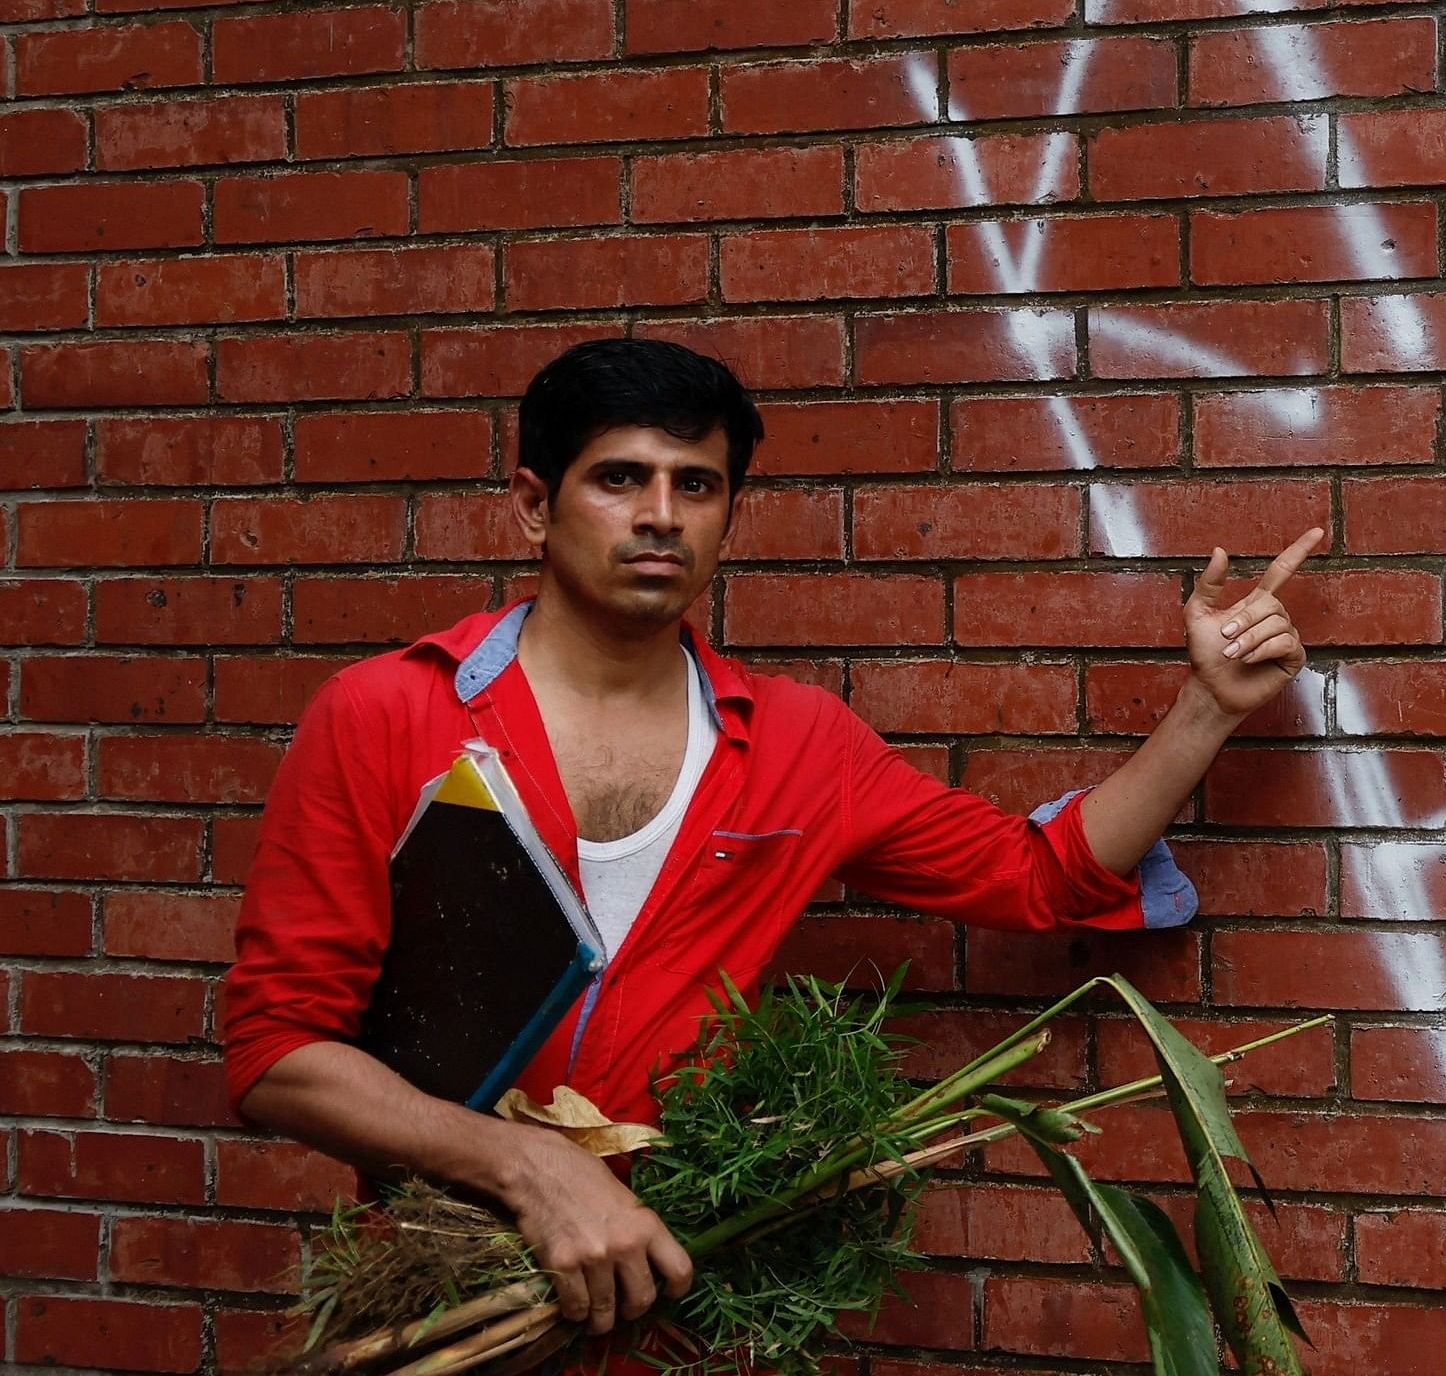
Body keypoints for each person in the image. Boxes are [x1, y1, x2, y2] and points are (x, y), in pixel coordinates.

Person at [217, 337, 1322, 1348]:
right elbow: (278, 1056)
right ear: (530, 506)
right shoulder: (386, 717)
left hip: (686, 1303)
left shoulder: (796, 744)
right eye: (619, 478)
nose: (660, 514)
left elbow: (1038, 877)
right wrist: (528, 1165)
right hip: (442, 1307)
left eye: (695, 486)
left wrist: (1207, 707)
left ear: (728, 519)